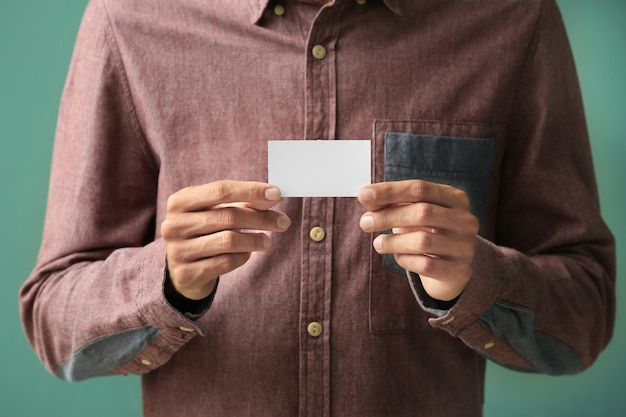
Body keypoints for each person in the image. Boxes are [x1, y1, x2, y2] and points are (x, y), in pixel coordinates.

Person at [20, 0, 616, 416]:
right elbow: (53, 319)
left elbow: (583, 318)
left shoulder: (514, 20)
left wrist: (473, 276)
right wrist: (167, 282)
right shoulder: (129, 19)